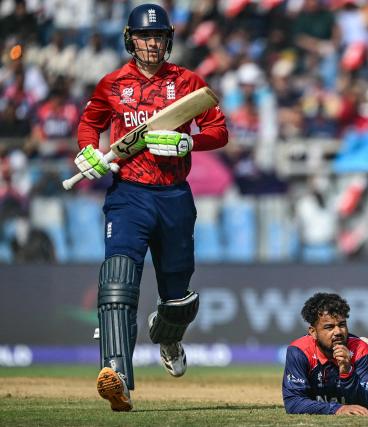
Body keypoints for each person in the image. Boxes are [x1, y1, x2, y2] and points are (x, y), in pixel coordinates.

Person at [73, 4, 228, 411]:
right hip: (128, 194)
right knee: (118, 281)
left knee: (178, 299)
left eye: (158, 36)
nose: (152, 44)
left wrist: (190, 142)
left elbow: (218, 129)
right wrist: (88, 150)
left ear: (168, 40)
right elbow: (90, 123)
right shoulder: (112, 83)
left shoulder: (188, 82)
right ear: (130, 39)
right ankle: (117, 376)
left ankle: (170, 336)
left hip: (174, 195)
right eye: (145, 37)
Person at [282, 292, 368, 415]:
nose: (338, 332)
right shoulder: (299, 351)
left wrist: (347, 371)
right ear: (313, 332)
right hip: (337, 394)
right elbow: (293, 402)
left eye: (342, 325)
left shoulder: (359, 349)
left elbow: (366, 401)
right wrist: (337, 409)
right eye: (329, 327)